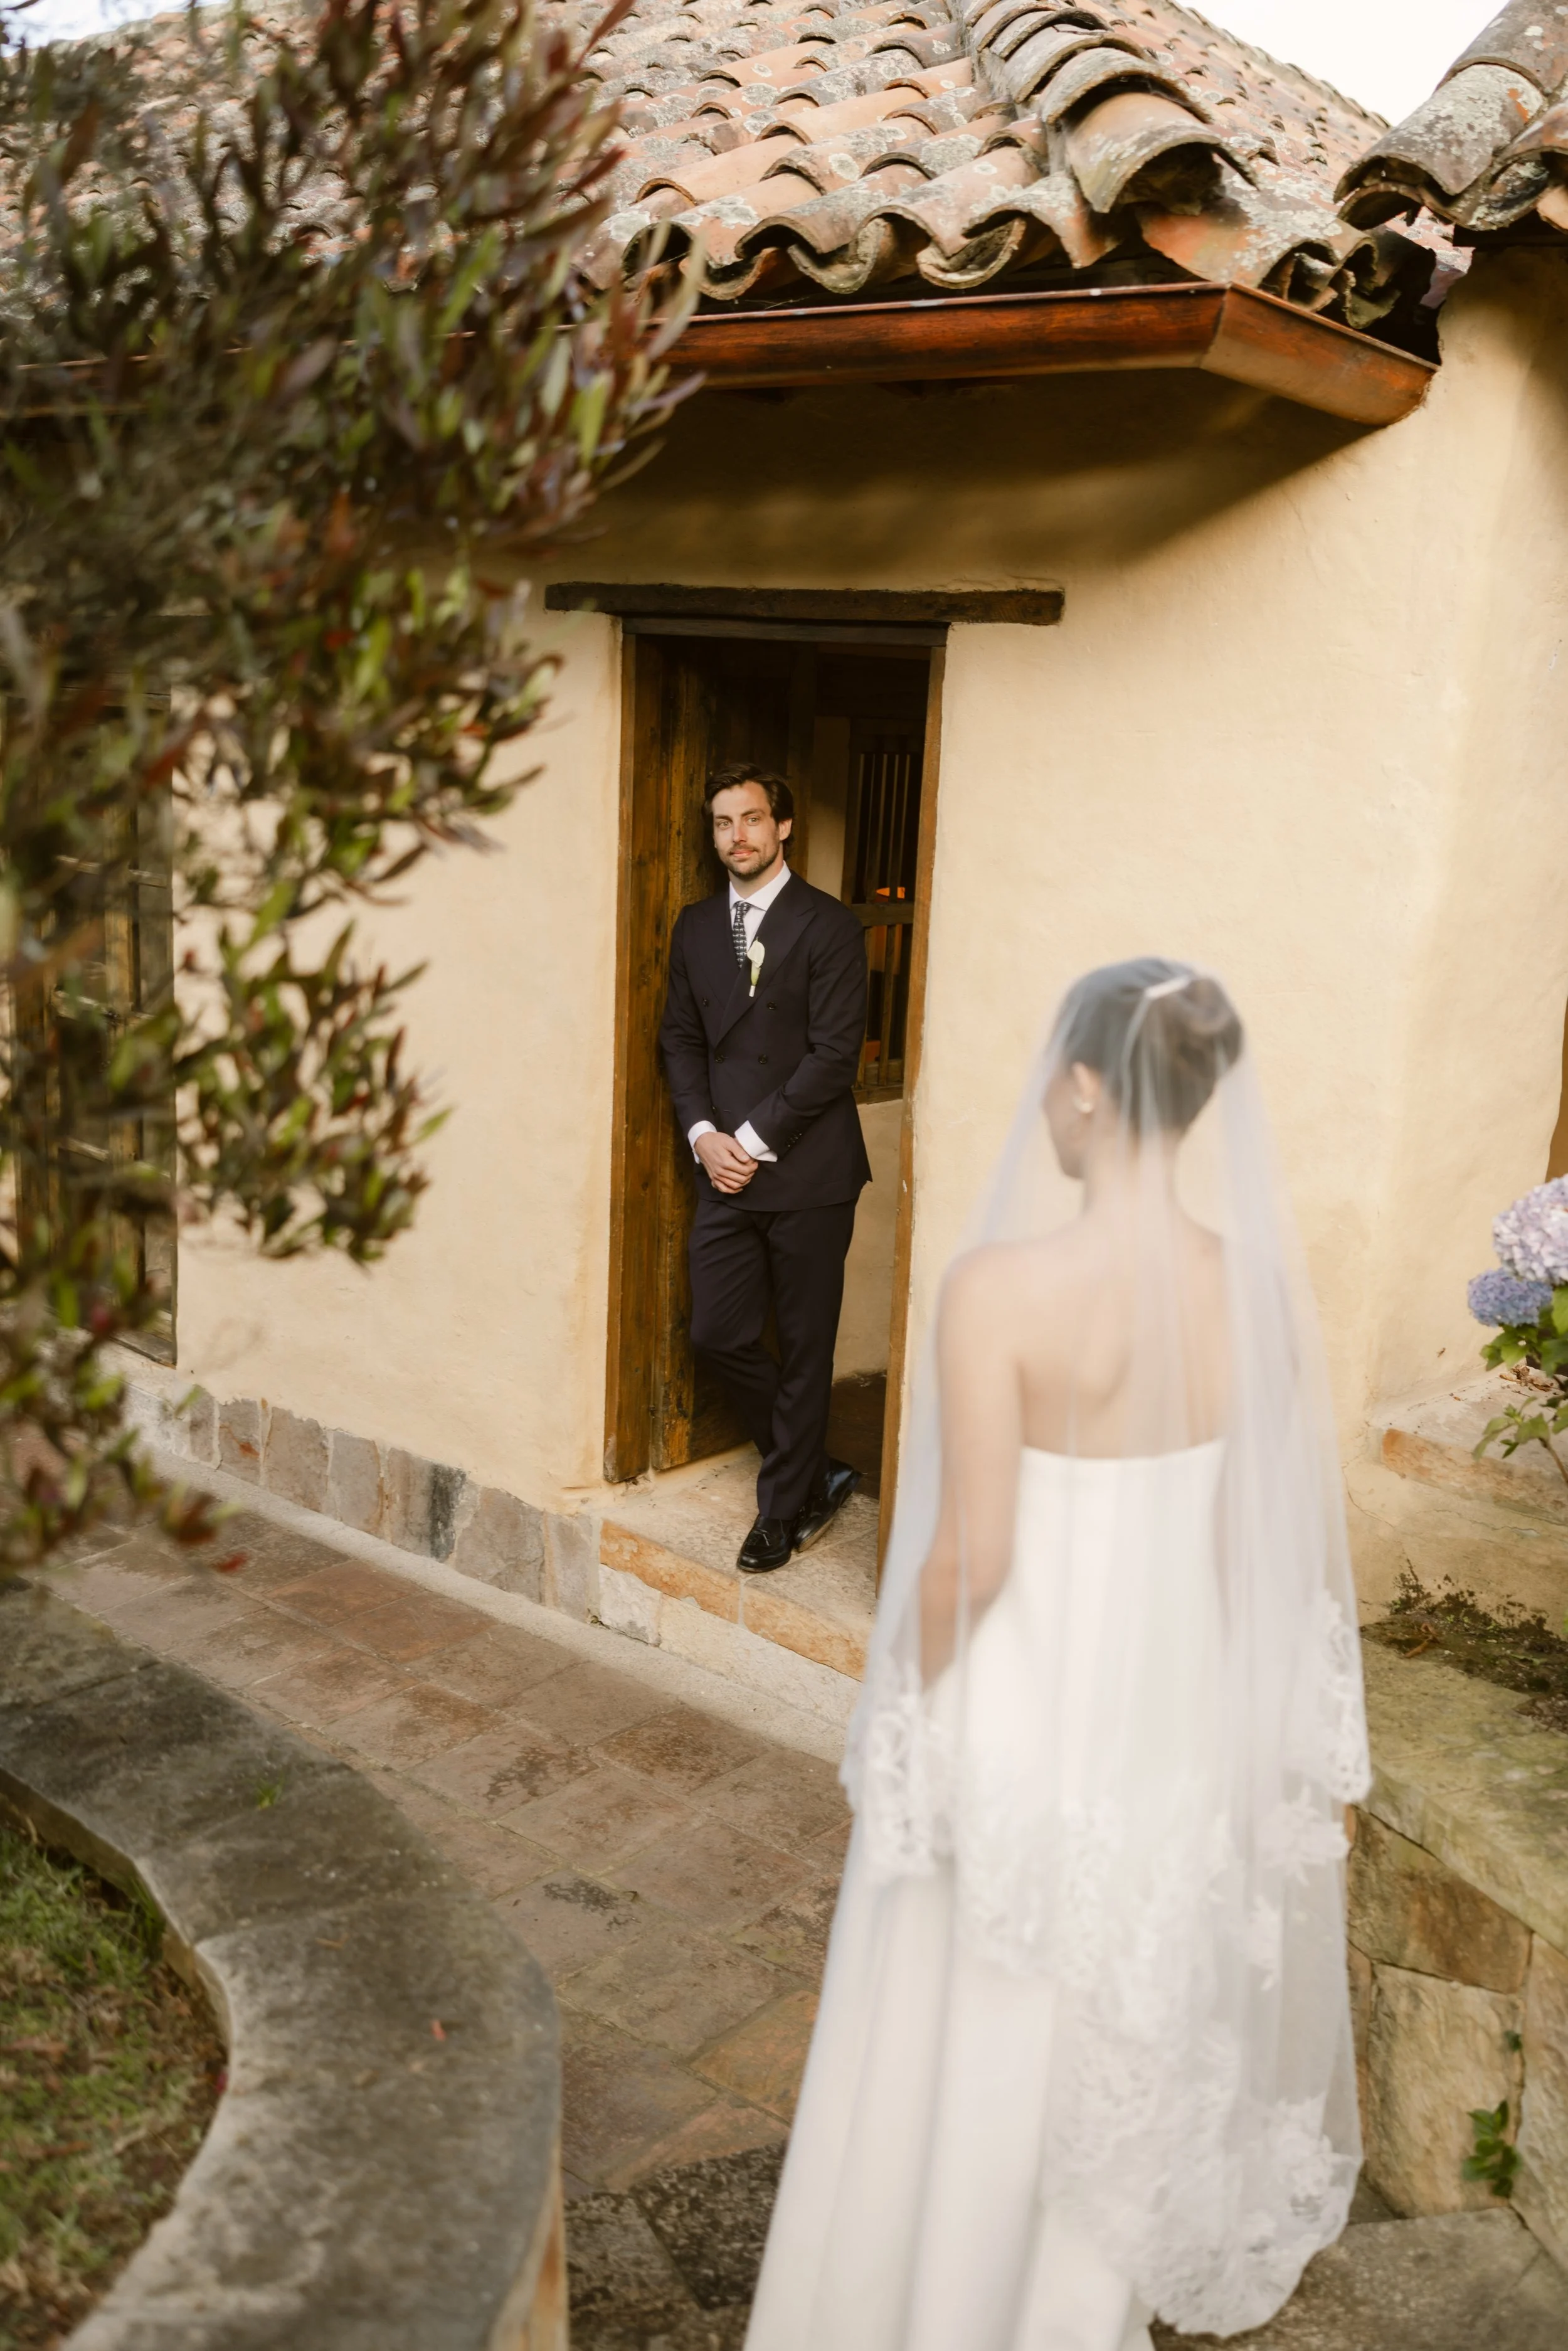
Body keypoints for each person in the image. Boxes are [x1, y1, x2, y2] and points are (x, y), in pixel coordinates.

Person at [746, 958, 1370, 2351]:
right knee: (1110, 2042)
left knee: (961, 2036)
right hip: (1162, 1733)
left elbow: (969, 1561)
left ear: (1086, 1087)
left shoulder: (999, 1290)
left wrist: (902, 1718)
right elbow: (1243, 1558)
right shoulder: (1257, 1297)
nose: (1043, 1102)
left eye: (1051, 1077)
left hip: (1016, 1725)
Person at [659, 762, 872, 1573]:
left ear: (783, 827)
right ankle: (811, 1469)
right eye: (723, 823)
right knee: (717, 1334)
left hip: (810, 1173)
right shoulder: (695, 928)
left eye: (751, 819)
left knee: (808, 1345)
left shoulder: (830, 925)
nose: (736, 836)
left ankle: (783, 1509)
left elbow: (834, 1057)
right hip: (722, 1170)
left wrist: (748, 1140)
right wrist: (703, 1135)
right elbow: (680, 1039)